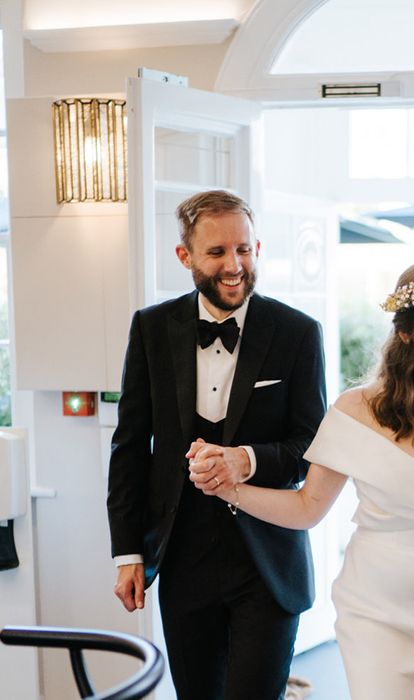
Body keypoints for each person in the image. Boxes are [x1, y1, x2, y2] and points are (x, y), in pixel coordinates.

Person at [191, 260, 414, 699]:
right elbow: (306, 508)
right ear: (407, 332)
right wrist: (228, 488)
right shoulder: (356, 411)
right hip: (376, 616)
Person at [107, 190, 326, 700]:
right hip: (182, 556)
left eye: (245, 250)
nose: (235, 266)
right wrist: (127, 552)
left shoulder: (297, 332)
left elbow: (312, 444)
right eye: (217, 252)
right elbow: (131, 446)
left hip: (268, 558)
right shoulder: (152, 328)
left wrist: (245, 460)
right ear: (185, 257)